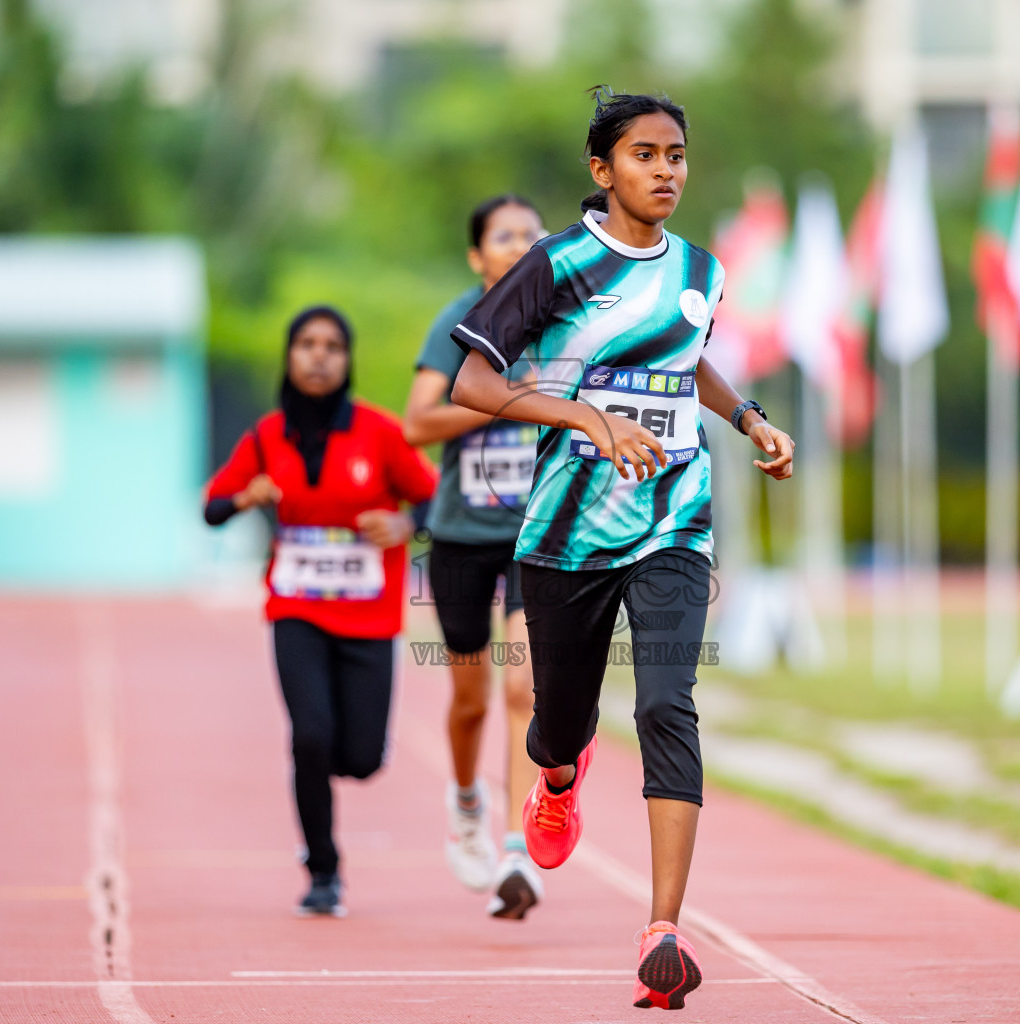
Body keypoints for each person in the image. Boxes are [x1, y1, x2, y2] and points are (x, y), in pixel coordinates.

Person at [448, 89, 794, 1009]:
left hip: (673, 522)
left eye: (676, 154)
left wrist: (750, 417)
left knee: (666, 705)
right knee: (561, 722)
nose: (666, 171)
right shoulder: (555, 266)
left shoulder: (702, 270)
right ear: (603, 170)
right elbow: (475, 382)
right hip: (564, 535)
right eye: (645, 155)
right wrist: (580, 417)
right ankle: (556, 777)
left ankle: (663, 931)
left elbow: (689, 360)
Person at [203, 305, 438, 918]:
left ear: (347, 359)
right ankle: (322, 869)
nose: (318, 355)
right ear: (289, 355)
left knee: (357, 760)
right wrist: (242, 497)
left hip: (370, 619)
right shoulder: (265, 436)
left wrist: (405, 522)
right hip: (295, 611)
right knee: (309, 738)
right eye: (306, 343)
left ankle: (354, 749)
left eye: (332, 345)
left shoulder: (380, 433)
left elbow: (438, 502)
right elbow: (212, 505)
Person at [402, 195, 549, 919]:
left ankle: (518, 847)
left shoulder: (562, 318)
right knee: (471, 699)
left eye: (531, 232)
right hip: (462, 532)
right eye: (504, 235)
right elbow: (417, 422)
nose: (520, 242)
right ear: (477, 255)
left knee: (524, 688)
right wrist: (506, 400)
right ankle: (466, 805)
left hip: (538, 533)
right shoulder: (459, 321)